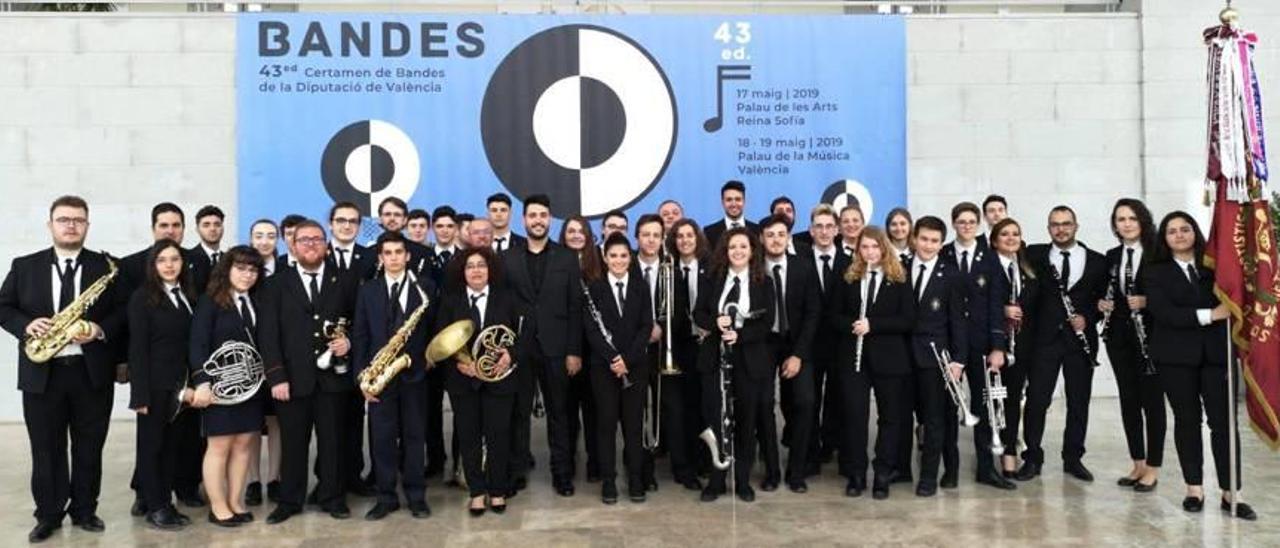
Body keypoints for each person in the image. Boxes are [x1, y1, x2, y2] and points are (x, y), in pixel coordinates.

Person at [0, 195, 126, 543]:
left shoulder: (107, 267)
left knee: (90, 445)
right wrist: (26, 325)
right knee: (45, 447)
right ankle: (49, 514)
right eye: (64, 219)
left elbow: (123, 311)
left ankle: (85, 509)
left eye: (78, 220)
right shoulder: (24, 265)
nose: (71, 225)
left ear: (87, 224)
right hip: (43, 373)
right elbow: (3, 307)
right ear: (50, 224)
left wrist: (98, 330)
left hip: (90, 372)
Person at [1143, 211, 1256, 520]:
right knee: (1187, 421)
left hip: (1217, 357)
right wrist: (1211, 315)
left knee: (1224, 424)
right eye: (1172, 231)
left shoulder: (1218, 267)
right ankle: (1194, 488)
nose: (1179, 235)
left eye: (1185, 229)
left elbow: (1236, 300)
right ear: (1164, 239)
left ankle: (1232, 491)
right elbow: (1166, 314)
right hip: (1175, 358)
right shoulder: (1155, 272)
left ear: (1195, 232)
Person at [257, 220, 360, 524]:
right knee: (293, 444)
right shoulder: (276, 284)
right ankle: (289, 500)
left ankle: (333, 497)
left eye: (317, 239)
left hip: (332, 380)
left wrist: (349, 341)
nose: (311, 245)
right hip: (291, 380)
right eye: (304, 240)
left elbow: (358, 321)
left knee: (333, 443)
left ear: (326, 245)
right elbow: (268, 334)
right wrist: (276, 376)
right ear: (293, 245)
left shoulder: (345, 280)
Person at [1017, 206, 1107, 483]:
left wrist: (1089, 317)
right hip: (1043, 340)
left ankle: (1073, 458)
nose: (1061, 229)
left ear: (1076, 226)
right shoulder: (1033, 254)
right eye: (1055, 225)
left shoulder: (1098, 261)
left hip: (1080, 343)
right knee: (1036, 400)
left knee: (1078, 402)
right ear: (1048, 229)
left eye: (1066, 224)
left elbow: (1103, 302)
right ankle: (1032, 457)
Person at [501, 194, 583, 496]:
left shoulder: (565, 257)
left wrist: (574, 351)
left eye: (543, 215)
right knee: (518, 413)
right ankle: (517, 472)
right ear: (524, 220)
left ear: (550, 219)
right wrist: (507, 350)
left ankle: (562, 474)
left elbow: (575, 307)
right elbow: (503, 308)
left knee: (559, 414)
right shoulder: (508, 258)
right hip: (519, 349)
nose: (538, 220)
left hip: (557, 349)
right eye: (532, 215)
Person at [351, 231, 435, 520]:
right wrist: (362, 377)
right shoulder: (368, 290)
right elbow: (360, 334)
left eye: (399, 252)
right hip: (379, 376)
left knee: (414, 437)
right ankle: (385, 497)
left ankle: (416, 496)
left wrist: (429, 359)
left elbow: (434, 330)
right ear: (381, 257)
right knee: (381, 438)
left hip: (414, 375)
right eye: (388, 253)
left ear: (408, 255)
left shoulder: (425, 287)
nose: (394, 258)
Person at [828, 226, 915, 500]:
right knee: (854, 417)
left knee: (889, 418)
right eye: (864, 247)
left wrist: (873, 324)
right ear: (858, 250)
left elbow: (908, 319)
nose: (870, 252)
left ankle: (882, 473)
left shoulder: (899, 277)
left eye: (875, 247)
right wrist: (852, 325)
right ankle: (856, 474)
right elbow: (833, 315)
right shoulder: (848, 277)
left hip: (889, 359)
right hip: (853, 358)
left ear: (884, 248)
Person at [437, 247, 522, 516]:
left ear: (490, 270)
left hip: (499, 380)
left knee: (499, 436)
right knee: (469, 437)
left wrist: (511, 354)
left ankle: (497, 490)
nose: (476, 270)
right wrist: (460, 363)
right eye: (470, 266)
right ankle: (476, 491)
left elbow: (523, 335)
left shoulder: (507, 297)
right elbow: (441, 340)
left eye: (481, 265)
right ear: (462, 272)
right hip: (463, 381)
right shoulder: (450, 300)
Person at [694, 227, 775, 503]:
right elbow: (698, 314)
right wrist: (714, 322)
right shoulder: (713, 278)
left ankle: (742, 481)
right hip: (715, 358)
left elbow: (766, 324)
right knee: (717, 420)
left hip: (749, 360)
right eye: (732, 248)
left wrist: (741, 335)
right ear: (724, 252)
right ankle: (717, 481)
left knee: (745, 421)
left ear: (752, 251)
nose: (737, 252)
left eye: (743, 247)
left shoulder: (764, 282)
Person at [187, 245, 266, 527]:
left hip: (251, 387)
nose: (247, 275)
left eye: (253, 270)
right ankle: (218, 506)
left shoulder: (258, 299)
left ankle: (236, 501)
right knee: (219, 445)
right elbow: (197, 343)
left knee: (244, 443)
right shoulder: (211, 301)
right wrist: (202, 382)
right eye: (241, 268)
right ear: (227, 269)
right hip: (220, 388)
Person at [939, 202, 1014, 490]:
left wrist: (998, 345)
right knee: (948, 407)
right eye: (961, 221)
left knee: (984, 407)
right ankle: (951, 469)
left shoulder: (990, 257)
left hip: (982, 344)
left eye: (972, 221)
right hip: (951, 345)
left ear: (979, 224)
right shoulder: (944, 253)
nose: (967, 225)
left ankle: (986, 469)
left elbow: (996, 305)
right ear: (954, 224)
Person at [127, 239, 196, 530]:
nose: (169, 265)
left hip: (180, 386)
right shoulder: (142, 297)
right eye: (162, 260)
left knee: (171, 448)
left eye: (175, 259)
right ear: (153, 266)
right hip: (154, 387)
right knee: (151, 447)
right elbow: (138, 350)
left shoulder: (187, 294)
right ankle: (155, 505)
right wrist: (139, 394)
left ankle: (165, 502)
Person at [1098, 199, 1165, 492]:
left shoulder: (1158, 253)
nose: (1126, 224)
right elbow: (1104, 293)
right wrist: (1102, 304)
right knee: (1129, 400)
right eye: (1120, 219)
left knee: (1152, 402)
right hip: (1119, 337)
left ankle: (1153, 467)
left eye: (1132, 218)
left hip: (1151, 336)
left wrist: (1149, 302)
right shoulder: (1112, 255)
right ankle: (1137, 463)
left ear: (1143, 221)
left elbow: (1173, 293)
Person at [584, 233, 655, 504]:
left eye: (624, 255)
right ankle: (609, 481)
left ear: (631, 257)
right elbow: (591, 329)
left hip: (635, 367)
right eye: (613, 255)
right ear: (605, 258)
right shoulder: (595, 288)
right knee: (605, 426)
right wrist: (613, 358)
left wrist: (628, 358)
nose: (618, 260)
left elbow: (645, 326)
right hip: (603, 368)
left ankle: (635, 480)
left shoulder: (640, 287)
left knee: (634, 427)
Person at [901, 216, 966, 497]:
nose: (928, 245)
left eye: (935, 241)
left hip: (935, 358)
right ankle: (900, 469)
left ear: (942, 243)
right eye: (924, 239)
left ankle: (929, 477)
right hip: (902, 356)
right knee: (903, 415)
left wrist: (958, 360)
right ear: (914, 238)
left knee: (935, 419)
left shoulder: (951, 274)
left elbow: (958, 322)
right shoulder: (899, 268)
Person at [759, 215, 821, 494]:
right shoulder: (753, 269)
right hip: (762, 345)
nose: (775, 239)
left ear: (789, 238)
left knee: (805, 402)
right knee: (763, 405)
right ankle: (772, 471)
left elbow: (813, 313)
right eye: (770, 234)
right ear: (761, 238)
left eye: (780, 234)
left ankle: (797, 472)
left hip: (797, 345)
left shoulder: (803, 268)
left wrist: (798, 354)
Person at [990, 218, 1040, 479]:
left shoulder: (1026, 268)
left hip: (1021, 347)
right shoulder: (986, 267)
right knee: (993, 403)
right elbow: (975, 305)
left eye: (1016, 234)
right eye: (1005, 234)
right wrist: (1002, 310)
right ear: (994, 240)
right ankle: (990, 457)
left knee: (1011, 403)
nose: (1011, 238)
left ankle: (1009, 455)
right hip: (993, 347)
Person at [805, 204, 849, 471]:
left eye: (829, 226)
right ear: (811, 230)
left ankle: (833, 447)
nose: (824, 231)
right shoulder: (799, 260)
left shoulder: (850, 262)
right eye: (819, 226)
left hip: (839, 343)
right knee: (809, 401)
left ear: (837, 229)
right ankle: (810, 455)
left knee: (839, 399)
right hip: (808, 345)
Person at [667, 218, 710, 487]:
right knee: (677, 411)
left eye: (689, 235)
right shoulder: (668, 269)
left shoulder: (710, 268)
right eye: (679, 236)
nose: (684, 240)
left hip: (704, 346)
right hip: (676, 346)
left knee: (700, 408)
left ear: (698, 239)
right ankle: (681, 467)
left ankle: (702, 461)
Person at [559, 216, 603, 483]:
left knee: (594, 409)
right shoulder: (556, 260)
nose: (576, 235)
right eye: (571, 231)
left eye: (581, 231)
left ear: (588, 235)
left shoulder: (599, 260)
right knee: (567, 409)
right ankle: (569, 462)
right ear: (563, 235)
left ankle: (595, 461)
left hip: (595, 347)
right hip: (566, 345)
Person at [703, 180, 760, 248]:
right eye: (729, 200)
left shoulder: (757, 231)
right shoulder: (709, 232)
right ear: (722, 202)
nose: (733, 204)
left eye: (738, 199)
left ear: (744, 201)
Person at [327, 201, 376, 281]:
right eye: (341, 220)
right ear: (330, 224)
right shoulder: (318, 255)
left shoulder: (371, 257)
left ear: (359, 226)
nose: (347, 226)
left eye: (353, 221)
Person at [188, 205, 226, 293]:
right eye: (206, 225)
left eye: (217, 224)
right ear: (197, 229)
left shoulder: (229, 259)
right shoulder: (188, 258)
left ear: (223, 228)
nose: (212, 229)